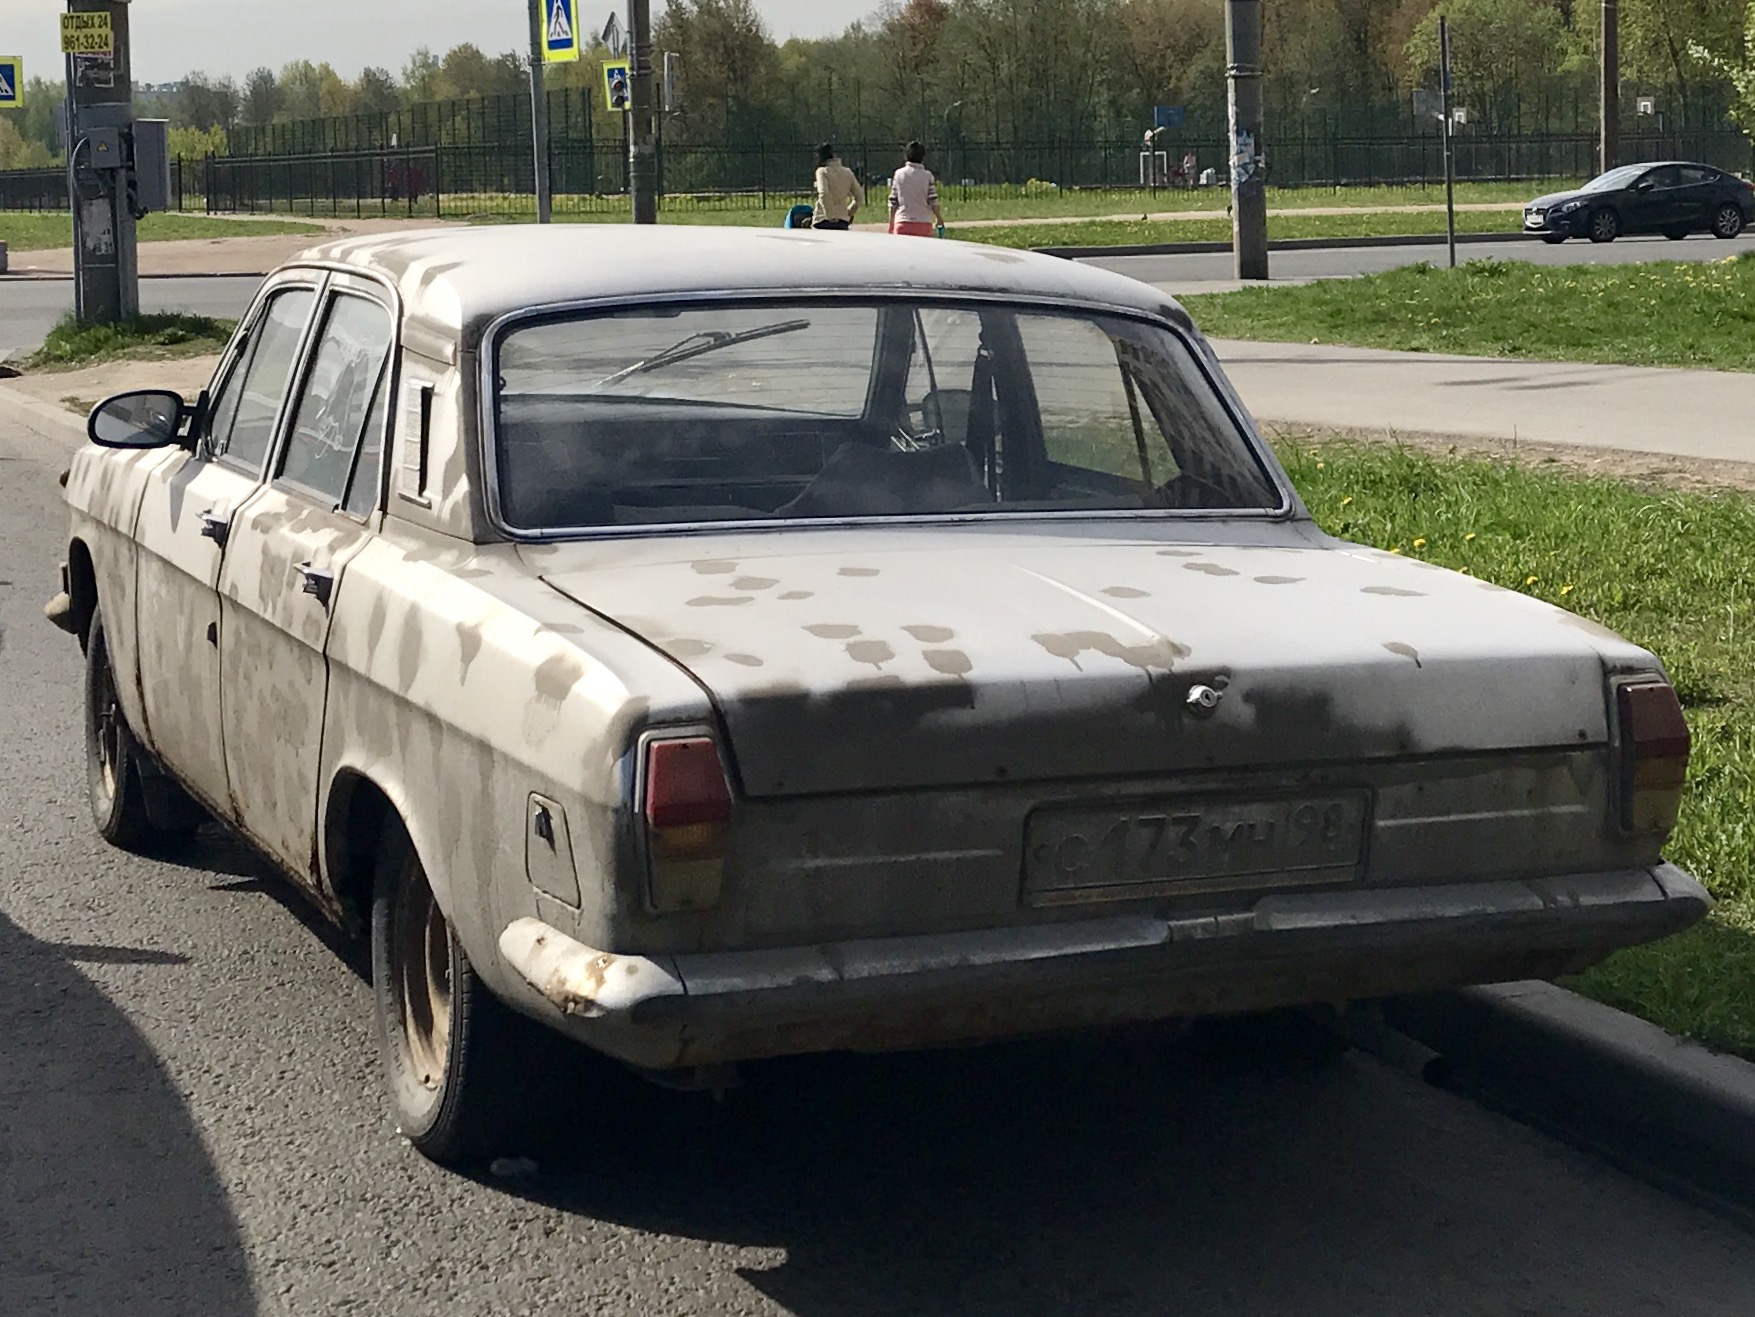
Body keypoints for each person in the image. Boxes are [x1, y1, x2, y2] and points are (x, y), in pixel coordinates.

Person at [888, 141, 944, 238]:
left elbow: (893, 201)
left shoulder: (899, 174)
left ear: (906, 156)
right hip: (923, 222)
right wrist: (939, 218)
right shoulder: (927, 176)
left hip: (902, 222)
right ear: (923, 157)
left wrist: (891, 223)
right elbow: (933, 200)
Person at [812, 143, 864, 231]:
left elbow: (824, 193)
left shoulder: (822, 172)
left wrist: (830, 215)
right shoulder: (847, 172)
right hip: (842, 220)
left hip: (822, 219)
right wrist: (849, 212)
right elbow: (859, 196)